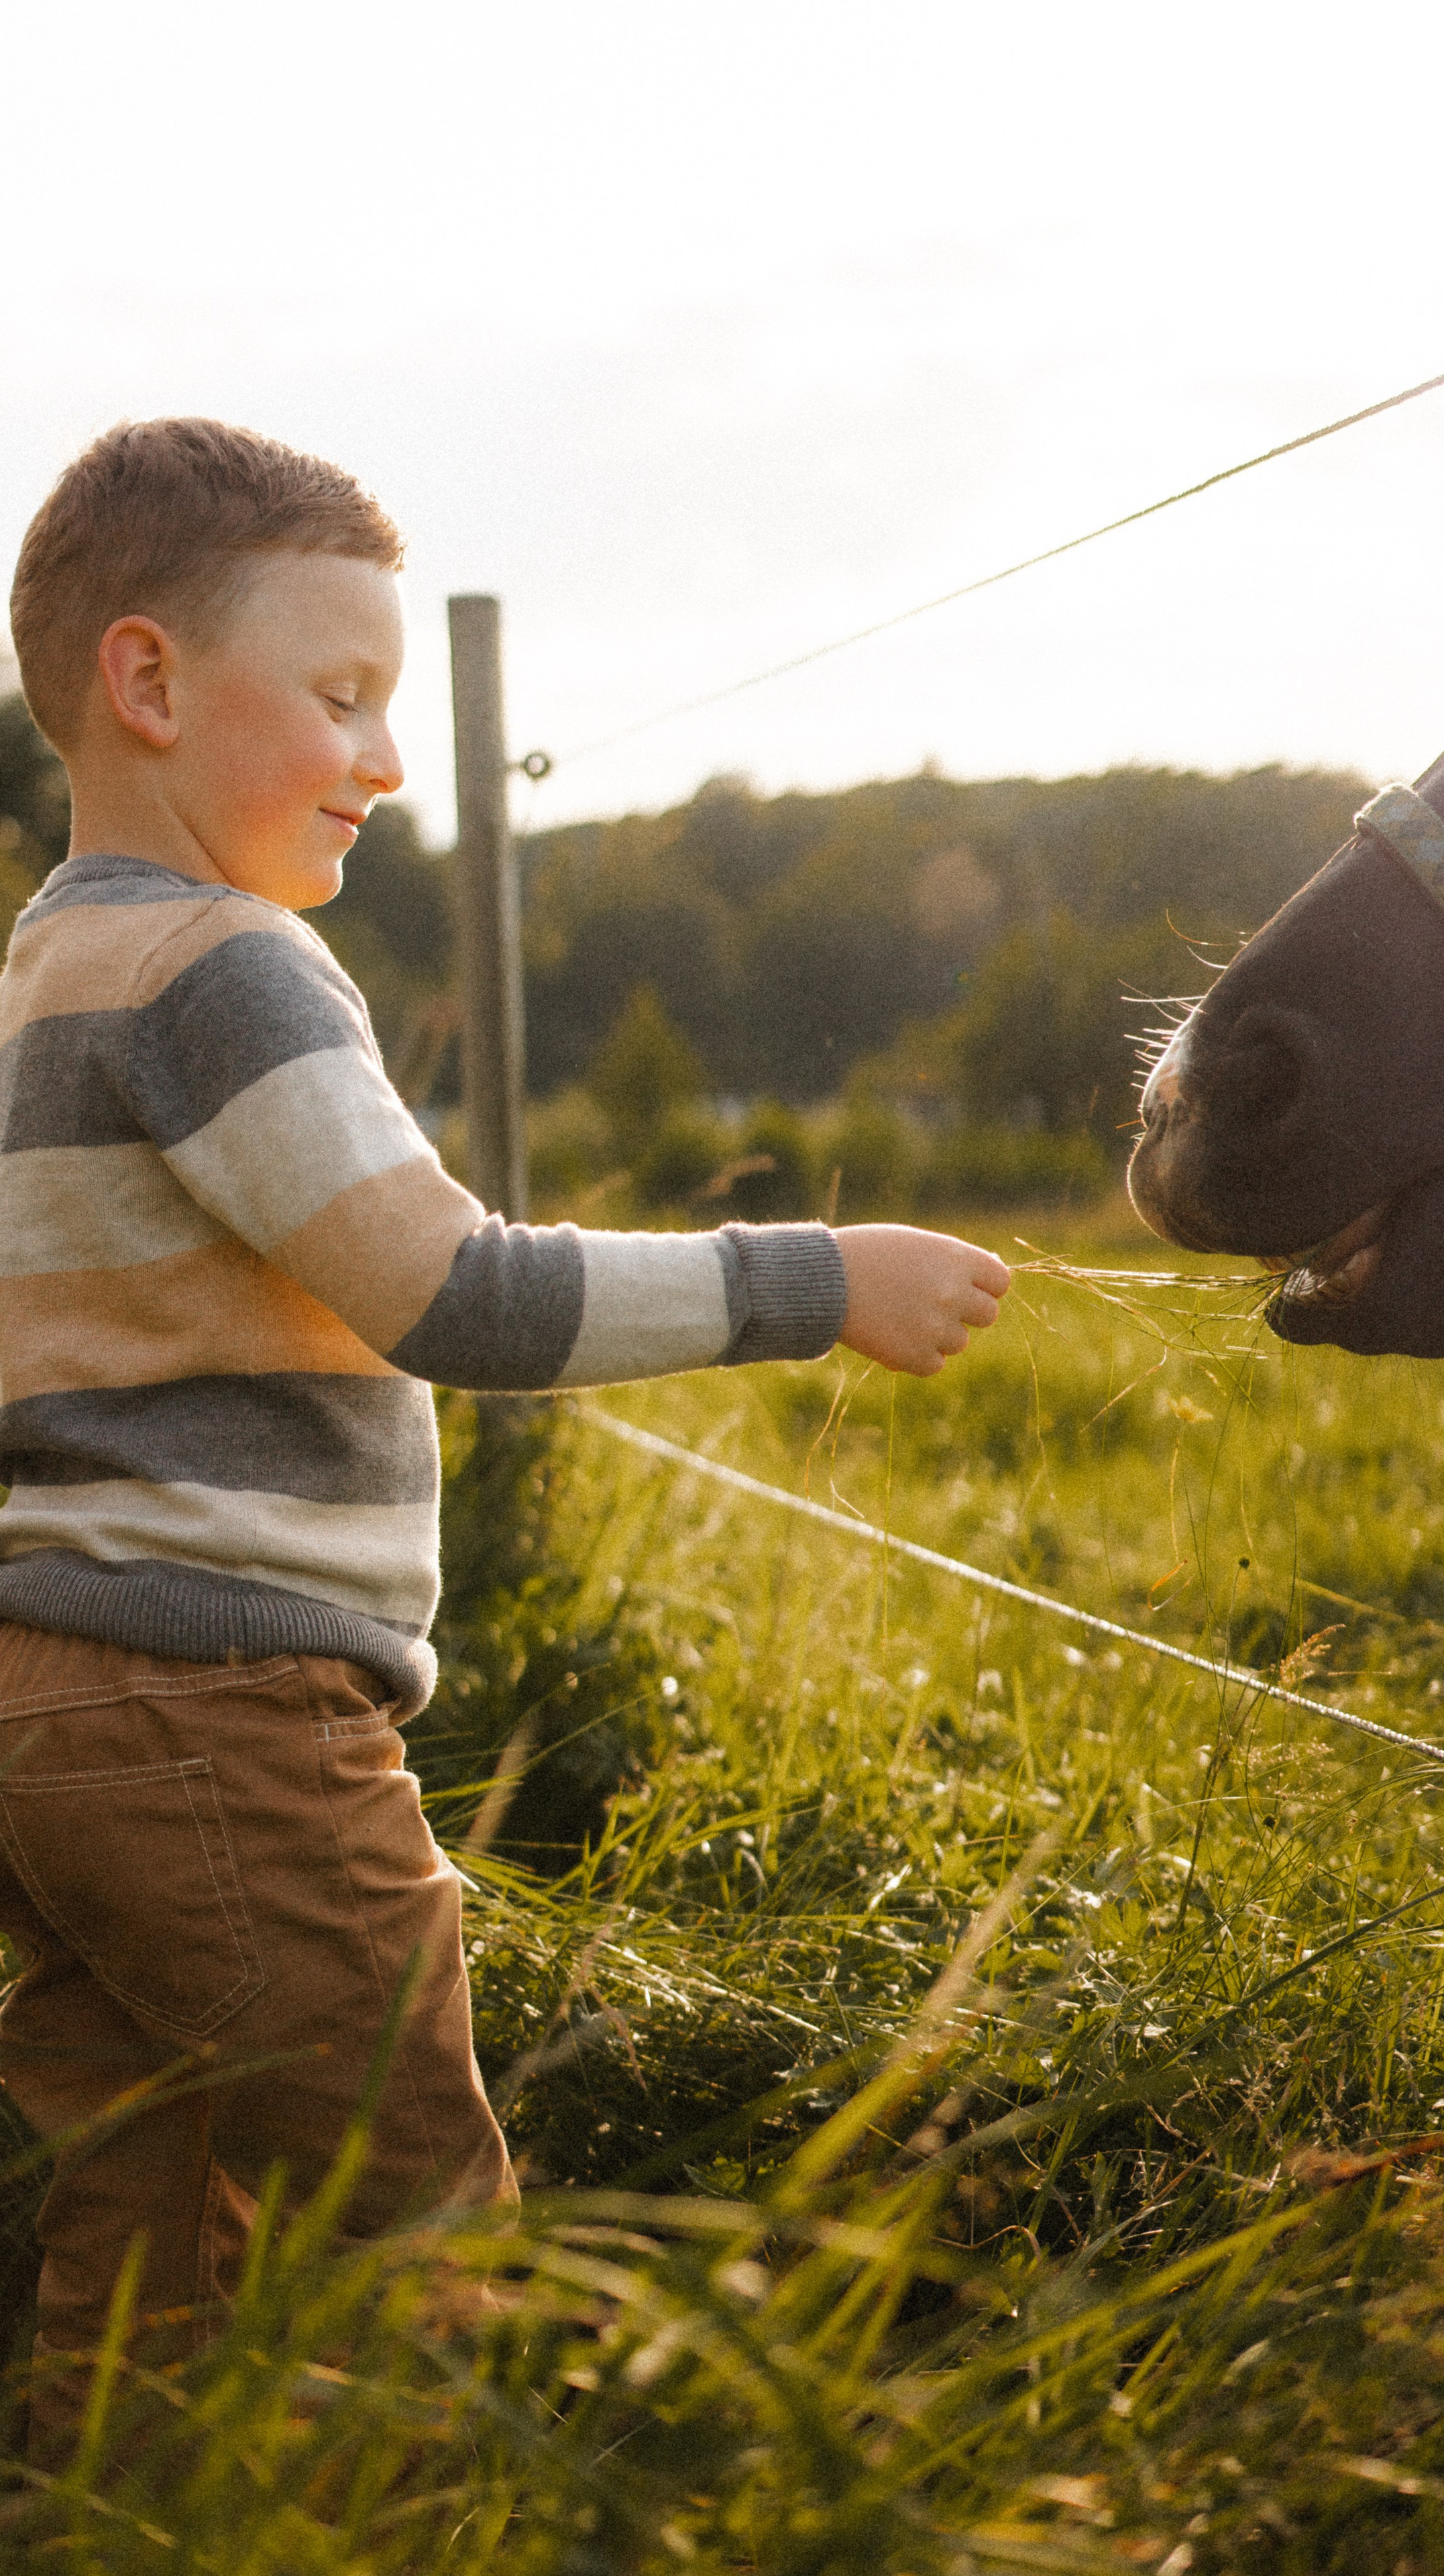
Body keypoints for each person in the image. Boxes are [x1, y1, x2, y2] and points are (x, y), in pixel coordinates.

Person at [0, 417, 1010, 2452]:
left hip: (51, 1704)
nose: (388, 763)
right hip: (217, 1710)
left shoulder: (46, 970)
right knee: (413, 2216)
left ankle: (137, 2520)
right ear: (148, 683)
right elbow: (454, 1292)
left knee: (150, 2237)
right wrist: (816, 1280)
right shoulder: (224, 970)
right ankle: (434, 2517)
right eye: (347, 698)